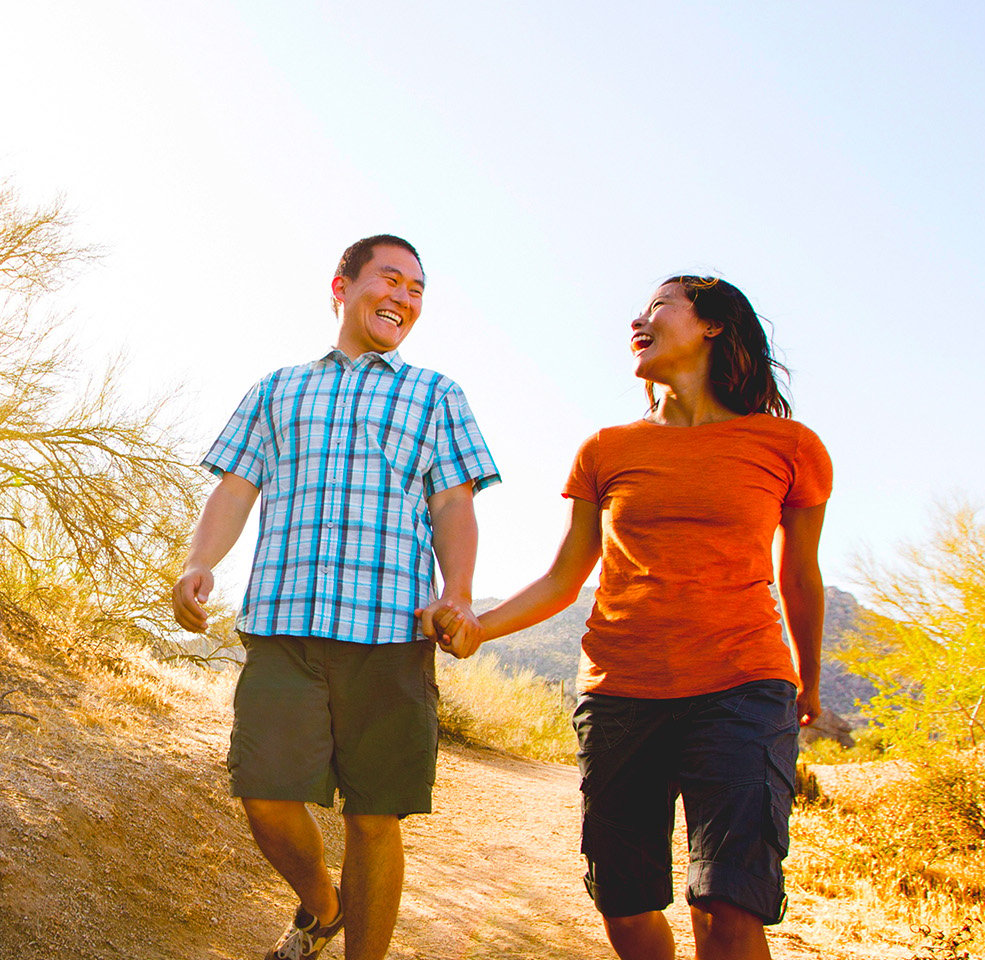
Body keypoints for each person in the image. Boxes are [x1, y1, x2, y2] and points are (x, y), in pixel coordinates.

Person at [425, 276, 829, 960]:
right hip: (620, 696)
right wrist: (478, 626)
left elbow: (799, 574)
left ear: (712, 325)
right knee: (625, 906)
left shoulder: (788, 446)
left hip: (743, 687)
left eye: (659, 306)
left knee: (728, 906)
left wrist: (807, 683)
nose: (637, 320)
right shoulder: (607, 449)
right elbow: (564, 576)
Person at [172, 235, 499, 960]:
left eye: (418, 290)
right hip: (285, 626)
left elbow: (454, 506)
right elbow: (234, 487)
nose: (405, 299)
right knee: (263, 795)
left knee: (375, 819)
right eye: (391, 279)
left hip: (392, 637)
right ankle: (322, 902)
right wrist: (198, 563)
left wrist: (462, 595)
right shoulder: (276, 388)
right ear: (342, 285)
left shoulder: (436, 394)